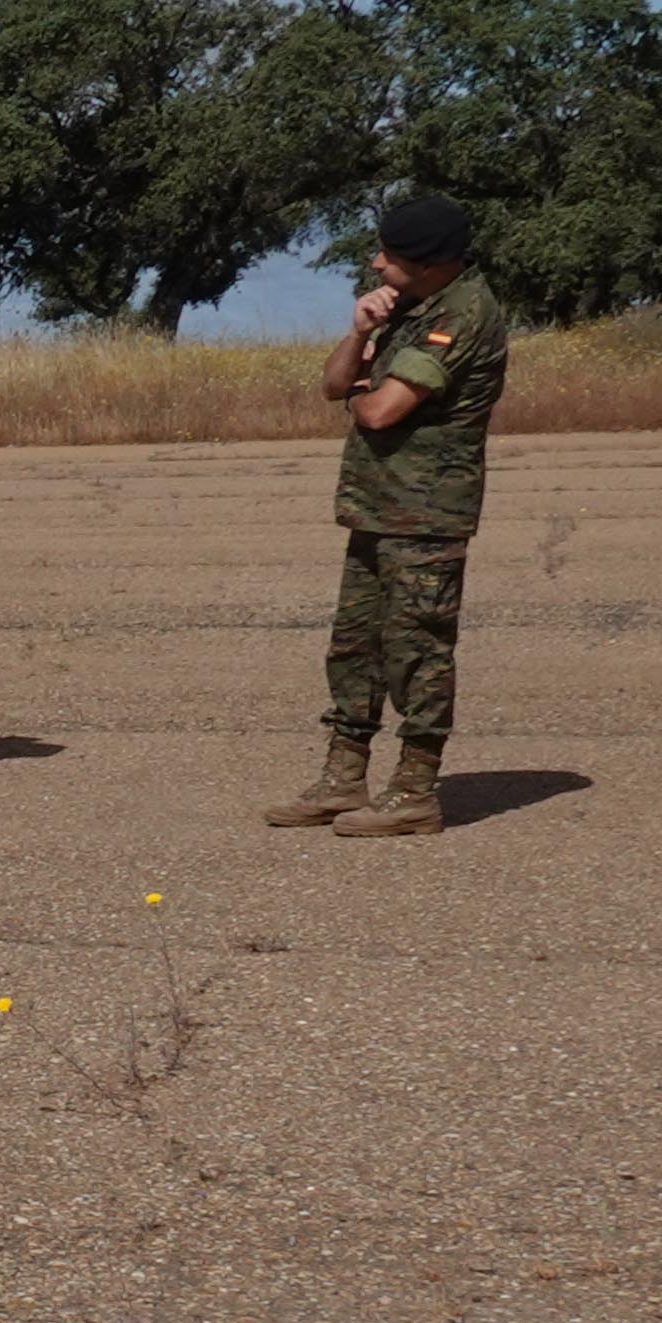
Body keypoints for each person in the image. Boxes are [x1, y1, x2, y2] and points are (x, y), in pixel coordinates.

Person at [270, 191, 511, 841]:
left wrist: (358, 390)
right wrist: (358, 334)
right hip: (378, 509)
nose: (377, 264)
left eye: (391, 256)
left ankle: (414, 790)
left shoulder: (463, 314)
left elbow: (378, 411)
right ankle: (343, 777)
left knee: (418, 653)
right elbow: (333, 386)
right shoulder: (409, 305)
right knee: (355, 649)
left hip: (427, 514)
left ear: (432, 264)